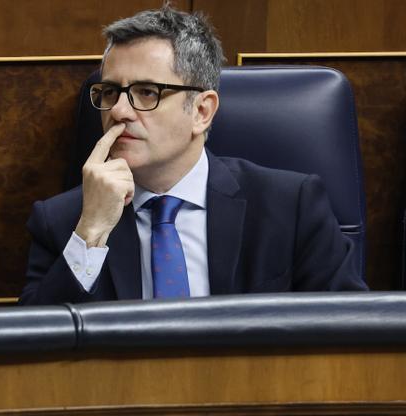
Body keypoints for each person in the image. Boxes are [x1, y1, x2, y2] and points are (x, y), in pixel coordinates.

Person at [18, 4, 367, 305]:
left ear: (202, 111)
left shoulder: (291, 206)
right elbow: (33, 356)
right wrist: (91, 231)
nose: (119, 110)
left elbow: (350, 331)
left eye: (146, 92)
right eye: (110, 92)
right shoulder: (64, 221)